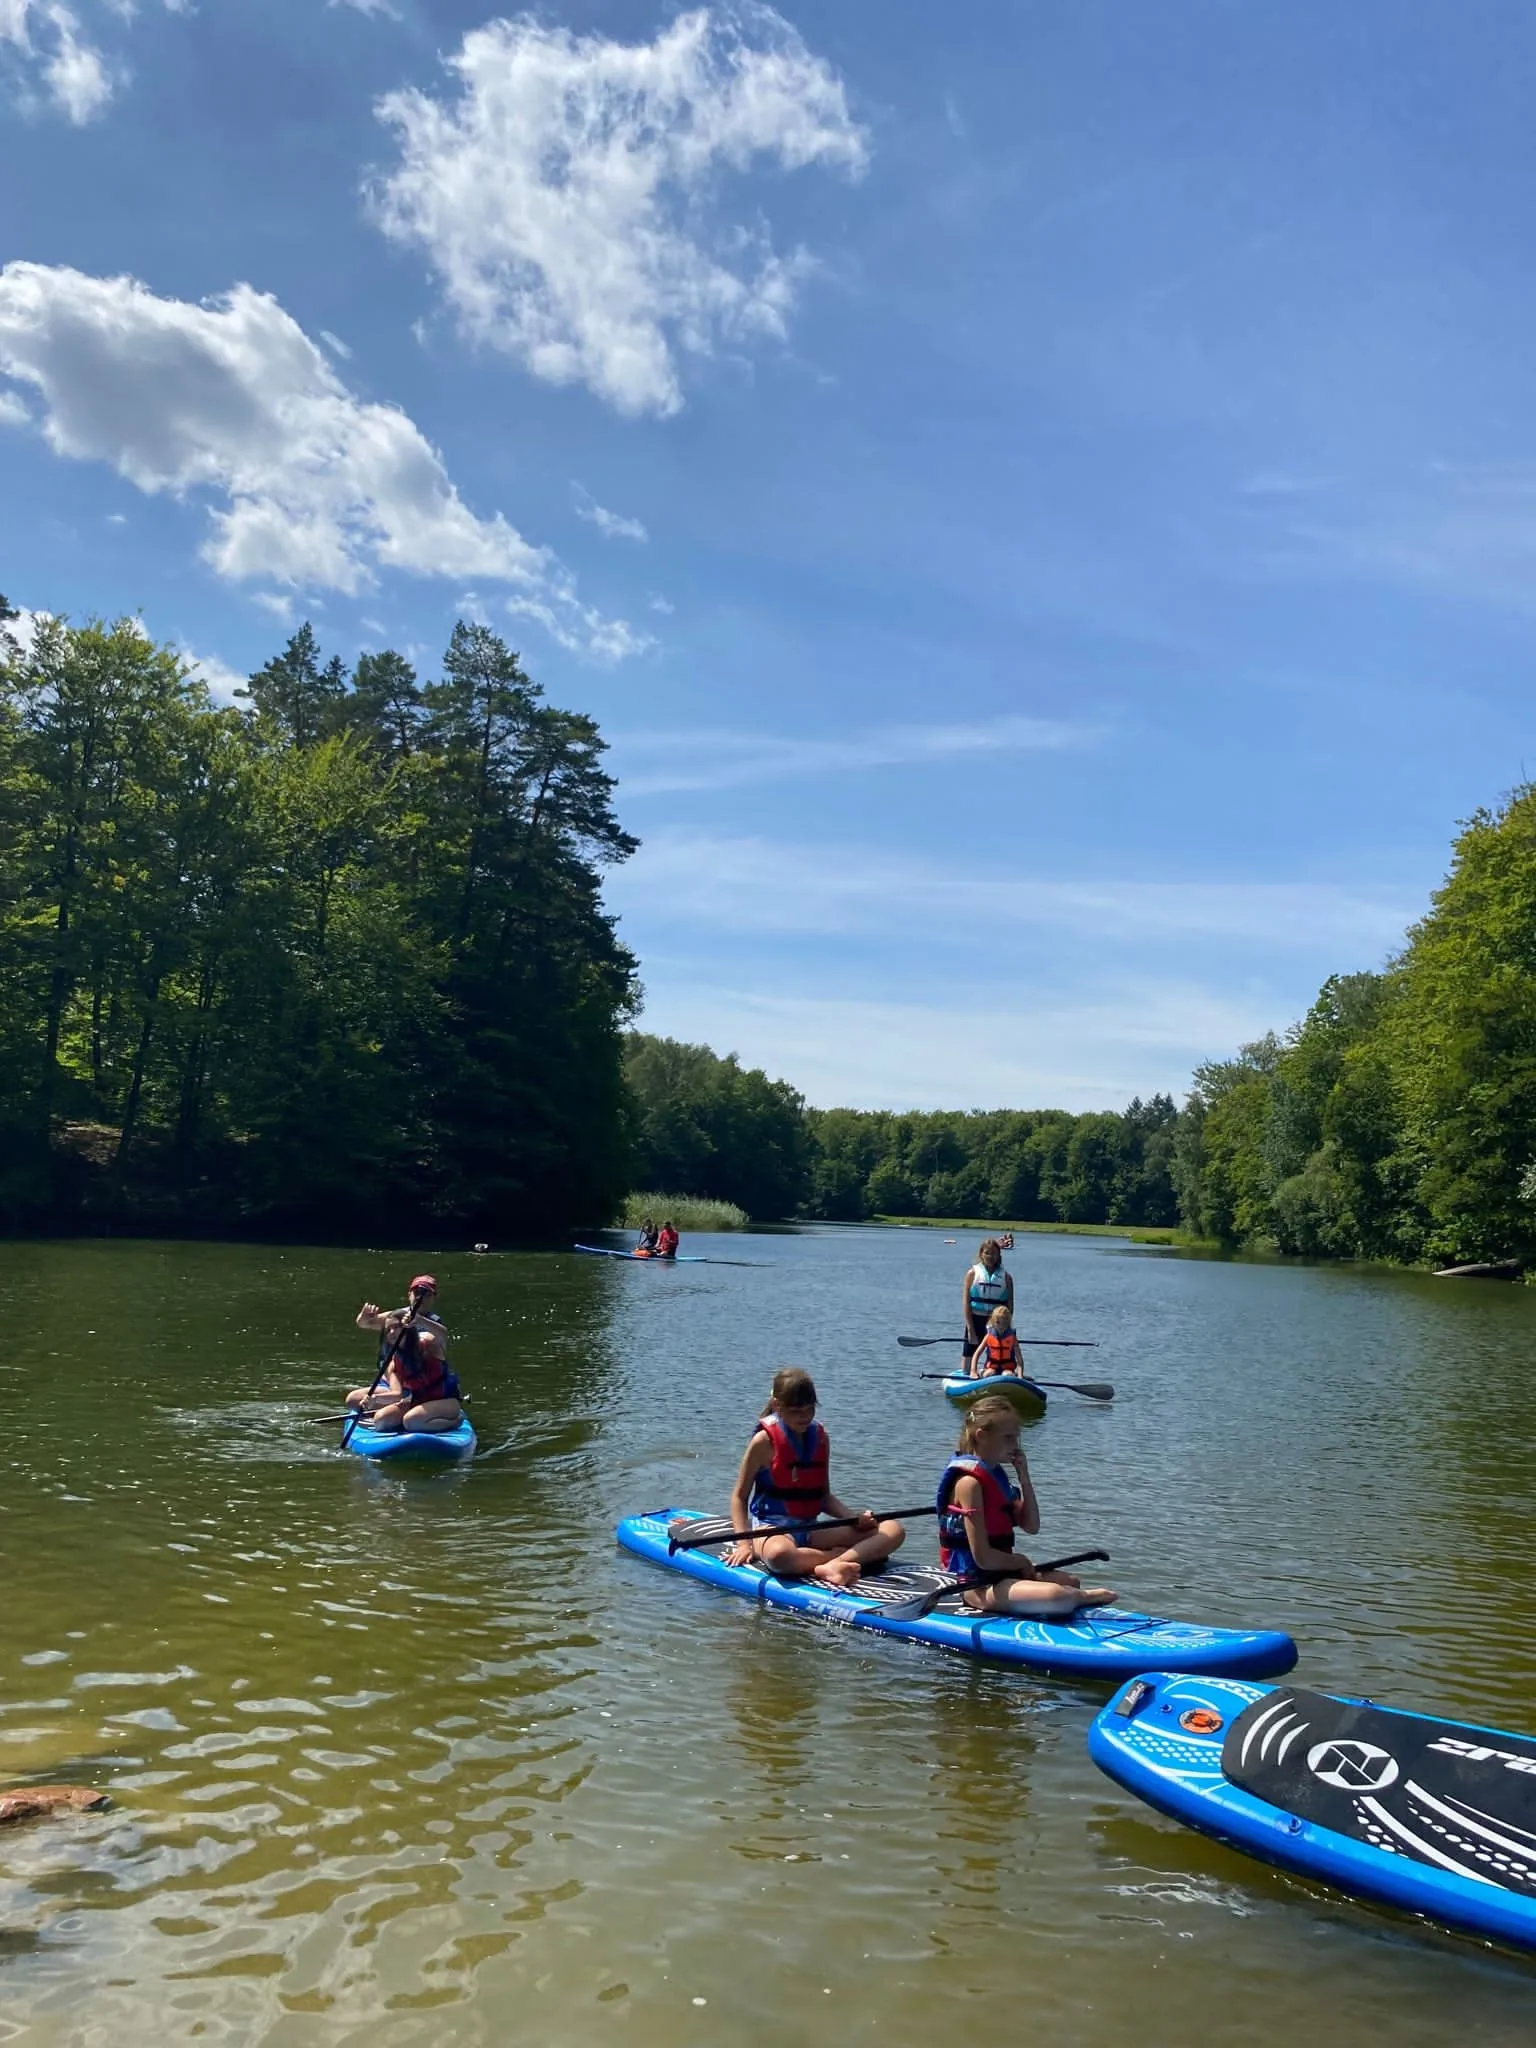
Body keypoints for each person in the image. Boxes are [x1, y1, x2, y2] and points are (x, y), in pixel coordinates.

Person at [724, 1368, 905, 1588]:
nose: (805, 1417)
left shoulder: (820, 1438)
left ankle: (834, 1563)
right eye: (796, 1411)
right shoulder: (763, 1442)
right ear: (778, 1405)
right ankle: (841, 1559)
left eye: (810, 1410)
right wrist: (743, 1544)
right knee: (779, 1556)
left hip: (810, 1530)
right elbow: (739, 1497)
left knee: (893, 1530)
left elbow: (824, 1497)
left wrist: (853, 1517)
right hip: (772, 1529)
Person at [936, 1397, 1115, 1615]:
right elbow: (983, 1558)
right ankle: (1082, 1598)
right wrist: (1019, 1561)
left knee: (1071, 1582)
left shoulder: (996, 1477)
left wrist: (1024, 1477)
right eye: (1008, 1438)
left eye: (1016, 1438)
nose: (1015, 1445)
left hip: (1001, 1574)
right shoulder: (968, 1484)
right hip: (975, 1585)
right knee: (1057, 1595)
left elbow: (1031, 1526)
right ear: (982, 1436)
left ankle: (1073, 1597)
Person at [348, 1274, 462, 1433]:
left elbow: (441, 1336)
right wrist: (363, 1318)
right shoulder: (395, 1326)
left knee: (412, 1421)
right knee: (379, 1419)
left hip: (438, 1395)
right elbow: (367, 1323)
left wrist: (419, 1321)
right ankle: (405, 1416)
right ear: (409, 1294)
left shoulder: (428, 1338)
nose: (393, 1333)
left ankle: (449, 1420)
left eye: (426, 1294)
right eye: (417, 1293)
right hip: (409, 1393)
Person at [961, 1237, 1013, 1356]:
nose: (990, 1256)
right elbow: (966, 1303)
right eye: (987, 1253)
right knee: (969, 1354)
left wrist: (1006, 1328)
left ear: (999, 1255)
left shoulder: (1006, 1277)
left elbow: (1010, 1305)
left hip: (997, 1322)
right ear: (981, 1254)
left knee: (998, 1356)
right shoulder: (972, 1274)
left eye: (994, 1253)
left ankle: (996, 1372)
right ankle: (968, 1371)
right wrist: (970, 1330)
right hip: (975, 1319)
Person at [969, 1304, 1026, 1379]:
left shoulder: (1012, 1338)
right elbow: (977, 1354)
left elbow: (1019, 1360)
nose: (1001, 1326)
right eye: (998, 1322)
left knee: (1007, 1375)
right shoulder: (988, 1336)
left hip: (1007, 1369)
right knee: (989, 1373)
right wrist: (973, 1371)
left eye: (1004, 1322)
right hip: (991, 1368)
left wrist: (1020, 1375)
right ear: (993, 1322)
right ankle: (982, 1372)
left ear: (1008, 1323)